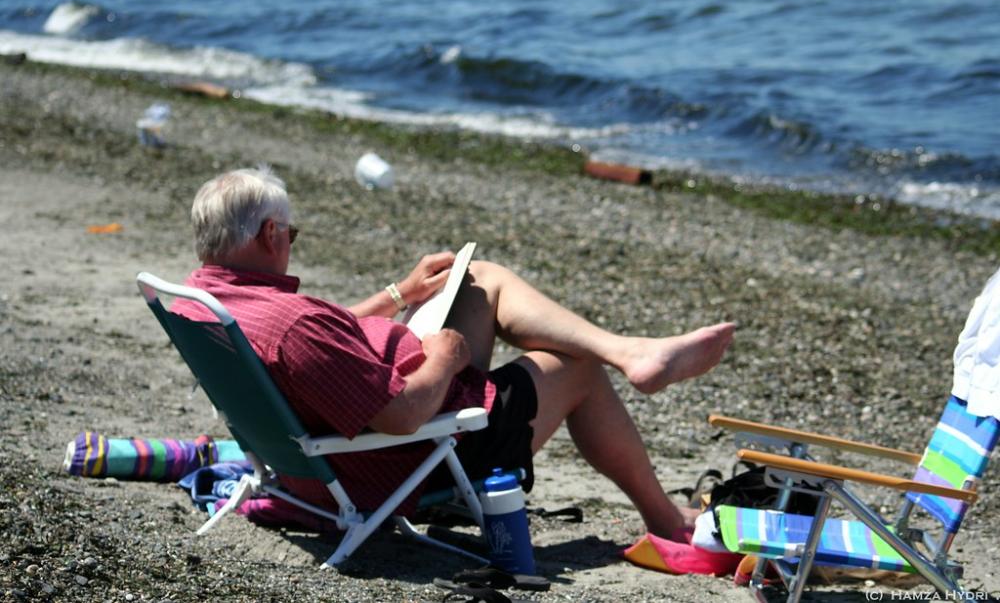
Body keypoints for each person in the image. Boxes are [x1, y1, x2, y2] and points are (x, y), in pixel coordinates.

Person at [172, 166, 734, 540]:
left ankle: (633, 352)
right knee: (578, 368)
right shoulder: (293, 327)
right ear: (271, 233)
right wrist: (443, 354)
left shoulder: (205, 300)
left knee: (477, 281)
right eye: (293, 234)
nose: (291, 242)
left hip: (312, 458)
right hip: (412, 453)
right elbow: (402, 415)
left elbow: (316, 341)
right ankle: (662, 515)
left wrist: (401, 295)